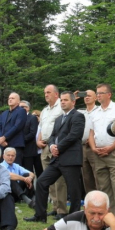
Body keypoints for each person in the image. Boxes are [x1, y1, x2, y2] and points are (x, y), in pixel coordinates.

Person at [25, 91, 85, 223]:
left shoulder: (78, 116)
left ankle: (74, 217)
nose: (63, 102)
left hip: (70, 158)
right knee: (41, 182)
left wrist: (59, 147)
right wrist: (52, 146)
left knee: (73, 189)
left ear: (73, 102)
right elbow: (53, 136)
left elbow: (74, 135)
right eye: (62, 100)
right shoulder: (59, 119)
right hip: (57, 158)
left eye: (66, 100)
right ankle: (40, 215)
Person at [89, 83, 115, 223]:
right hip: (99, 154)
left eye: (101, 93)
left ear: (109, 95)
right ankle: (107, 220)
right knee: (103, 189)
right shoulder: (95, 112)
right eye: (97, 93)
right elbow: (91, 132)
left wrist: (111, 147)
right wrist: (93, 148)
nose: (98, 95)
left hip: (114, 153)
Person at [37, 85, 66, 219]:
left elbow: (65, 127)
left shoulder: (62, 107)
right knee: (47, 180)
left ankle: (61, 210)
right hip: (45, 146)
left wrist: (57, 144)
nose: (46, 94)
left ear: (56, 94)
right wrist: (38, 141)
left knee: (59, 180)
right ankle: (54, 207)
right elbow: (41, 128)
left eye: (48, 92)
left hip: (57, 146)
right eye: (44, 92)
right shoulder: (44, 110)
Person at [76, 90, 99, 194]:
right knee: (86, 176)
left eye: (89, 95)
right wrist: (74, 98)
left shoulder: (99, 111)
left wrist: (93, 140)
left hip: (95, 147)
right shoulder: (80, 112)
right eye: (84, 96)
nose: (86, 97)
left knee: (97, 174)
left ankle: (101, 198)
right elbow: (65, 112)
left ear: (95, 98)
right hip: (82, 147)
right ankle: (91, 199)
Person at [0, 92, 27, 165]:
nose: (10, 100)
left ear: (18, 101)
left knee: (15, 168)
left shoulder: (21, 111)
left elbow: (17, 126)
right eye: (9, 98)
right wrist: (1, 139)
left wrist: (4, 137)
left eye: (13, 98)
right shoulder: (4, 113)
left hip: (15, 144)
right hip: (3, 145)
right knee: (3, 168)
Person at [19, 101, 41, 178]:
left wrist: (20, 141)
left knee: (28, 172)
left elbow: (32, 133)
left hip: (29, 150)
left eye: (22, 107)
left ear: (28, 108)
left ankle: (31, 189)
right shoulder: (18, 118)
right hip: (19, 150)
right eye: (19, 107)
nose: (20, 109)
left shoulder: (32, 118)